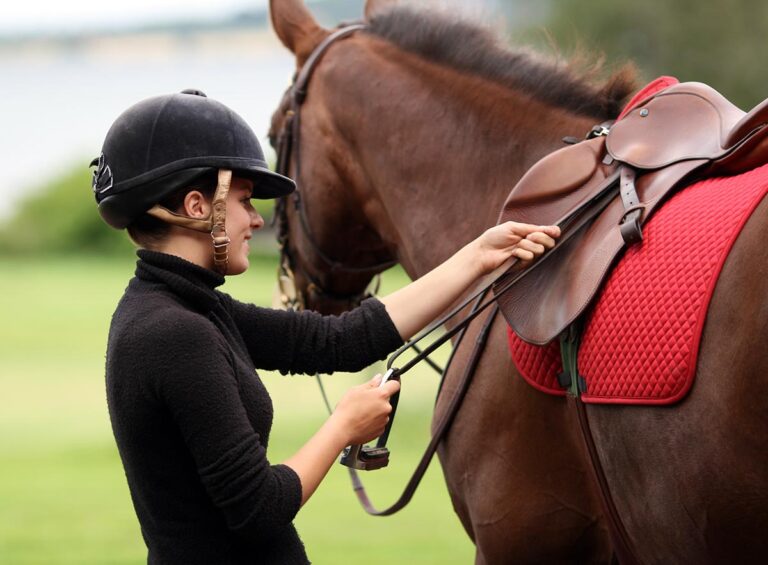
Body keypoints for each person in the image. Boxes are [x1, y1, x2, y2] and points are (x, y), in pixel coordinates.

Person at [93, 89, 559, 565]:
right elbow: (259, 509)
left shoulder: (191, 308)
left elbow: (339, 341)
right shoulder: (173, 332)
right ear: (197, 205)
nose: (257, 220)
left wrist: (478, 256)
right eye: (246, 201)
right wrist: (343, 426)